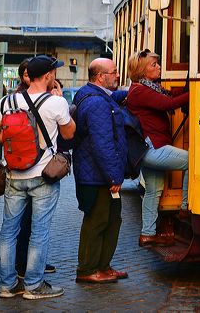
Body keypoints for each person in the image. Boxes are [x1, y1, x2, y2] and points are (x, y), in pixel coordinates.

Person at [0, 55, 75, 300]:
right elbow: (69, 132)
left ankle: (7, 285)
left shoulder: (6, 101)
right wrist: (60, 103)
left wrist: (18, 138)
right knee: (39, 231)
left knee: (8, 230)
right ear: (47, 76)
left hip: (14, 174)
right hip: (44, 175)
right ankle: (34, 286)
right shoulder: (55, 103)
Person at [71, 58, 128, 284]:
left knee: (112, 219)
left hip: (98, 174)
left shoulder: (92, 94)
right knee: (97, 221)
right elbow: (102, 143)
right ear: (101, 77)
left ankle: (103, 266)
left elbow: (113, 97)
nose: (117, 75)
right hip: (98, 177)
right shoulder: (96, 104)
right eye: (114, 72)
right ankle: (87, 269)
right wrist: (113, 176)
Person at [125, 50, 189, 247]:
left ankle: (147, 234)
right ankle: (187, 208)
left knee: (153, 191)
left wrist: (187, 88)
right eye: (154, 65)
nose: (159, 67)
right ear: (142, 71)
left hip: (147, 149)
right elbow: (168, 103)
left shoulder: (149, 87)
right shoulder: (140, 92)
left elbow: (169, 94)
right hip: (153, 149)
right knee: (191, 161)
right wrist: (197, 91)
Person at [12, 58, 56, 279]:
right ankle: (27, 270)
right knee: (32, 226)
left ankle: (15, 274)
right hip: (38, 170)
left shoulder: (10, 101)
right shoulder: (45, 101)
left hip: (17, 170)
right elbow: (66, 133)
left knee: (15, 227)